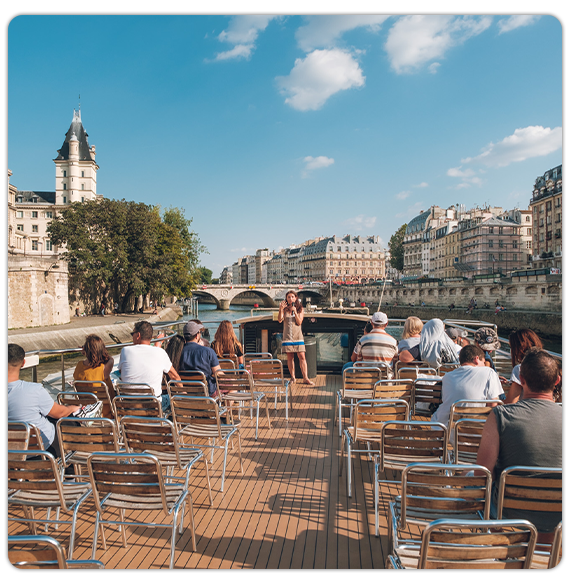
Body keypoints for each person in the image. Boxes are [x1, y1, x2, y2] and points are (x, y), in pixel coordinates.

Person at [476, 348, 562, 543]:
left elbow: (482, 475)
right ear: (557, 380)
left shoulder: (501, 415)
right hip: (557, 521)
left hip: (507, 517)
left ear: (521, 379)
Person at [8, 343, 81, 457]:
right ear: (23, 363)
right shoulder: (34, 390)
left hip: (11, 454)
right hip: (40, 451)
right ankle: (69, 468)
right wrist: (71, 408)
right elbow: (59, 413)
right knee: (67, 420)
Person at [431, 344, 503, 430]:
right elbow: (492, 405)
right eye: (483, 362)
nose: (484, 365)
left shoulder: (447, 376)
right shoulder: (489, 372)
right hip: (473, 431)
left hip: (443, 429)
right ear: (476, 359)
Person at [117, 320, 181, 414]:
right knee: (172, 396)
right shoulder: (160, 353)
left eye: (132, 333)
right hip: (153, 407)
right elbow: (175, 377)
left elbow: (122, 372)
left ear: (138, 335)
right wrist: (183, 392)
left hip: (129, 406)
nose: (132, 336)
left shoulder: (125, 351)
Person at [73, 334, 116, 417]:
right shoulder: (103, 369)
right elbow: (110, 359)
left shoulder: (79, 366)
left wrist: (86, 351)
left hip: (86, 413)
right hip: (105, 414)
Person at [278, 290, 314, 385]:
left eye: (292, 297)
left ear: (296, 298)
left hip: (297, 335)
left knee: (302, 356)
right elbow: (279, 320)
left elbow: (299, 322)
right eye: (288, 297)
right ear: (286, 299)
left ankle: (305, 377)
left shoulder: (300, 308)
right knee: (290, 357)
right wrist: (281, 309)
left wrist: (295, 311)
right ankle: (292, 377)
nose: (290, 299)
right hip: (287, 335)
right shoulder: (284, 308)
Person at [180, 320, 223, 397]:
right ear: (197, 335)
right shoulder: (208, 351)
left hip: (186, 391)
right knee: (231, 386)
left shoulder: (177, 352)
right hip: (207, 391)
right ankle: (227, 409)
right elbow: (219, 374)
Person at [502, 328, 544, 404]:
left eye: (512, 347)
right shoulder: (548, 365)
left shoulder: (520, 368)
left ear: (519, 348)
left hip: (528, 411)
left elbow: (511, 402)